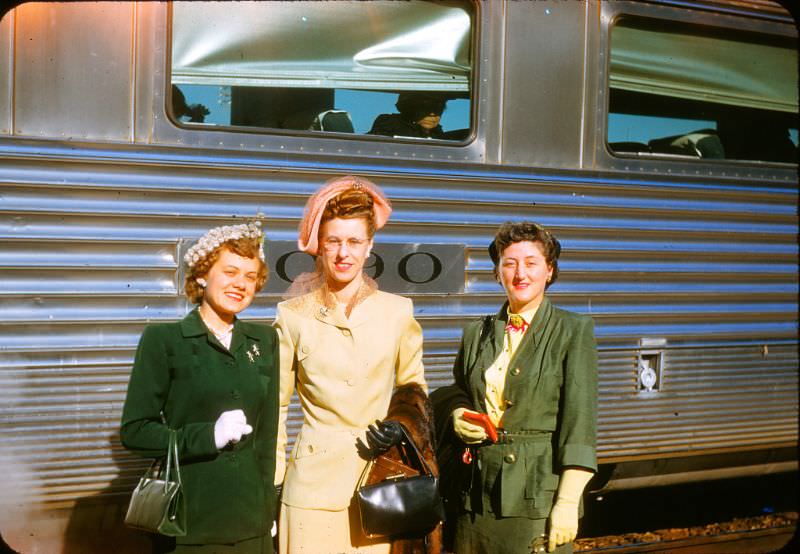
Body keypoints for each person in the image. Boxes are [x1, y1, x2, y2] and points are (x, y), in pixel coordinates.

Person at [273, 175, 428, 554]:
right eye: (334, 241)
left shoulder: (397, 312)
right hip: (310, 490)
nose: (344, 253)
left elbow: (414, 391)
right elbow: (274, 406)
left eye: (355, 241)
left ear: (370, 246)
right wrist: (274, 484)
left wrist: (399, 426)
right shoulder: (292, 315)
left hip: (376, 486)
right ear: (319, 247)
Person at [120, 221, 279, 553]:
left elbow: (266, 437)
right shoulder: (164, 341)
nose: (240, 284)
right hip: (190, 522)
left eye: (250, 277)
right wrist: (208, 436)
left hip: (252, 523)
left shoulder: (264, 341)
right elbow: (135, 431)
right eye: (230, 272)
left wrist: (267, 509)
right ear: (203, 275)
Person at [440, 221, 597, 554]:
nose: (520, 273)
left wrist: (567, 503)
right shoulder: (477, 332)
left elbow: (579, 425)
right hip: (474, 500)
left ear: (549, 271)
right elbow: (458, 389)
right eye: (509, 263)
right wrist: (456, 413)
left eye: (531, 263)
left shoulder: (573, 330)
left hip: (535, 502)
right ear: (498, 272)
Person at [368, 92, 447, 139]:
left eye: (438, 107)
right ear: (409, 108)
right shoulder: (390, 123)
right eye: (425, 107)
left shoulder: (437, 132)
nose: (432, 113)